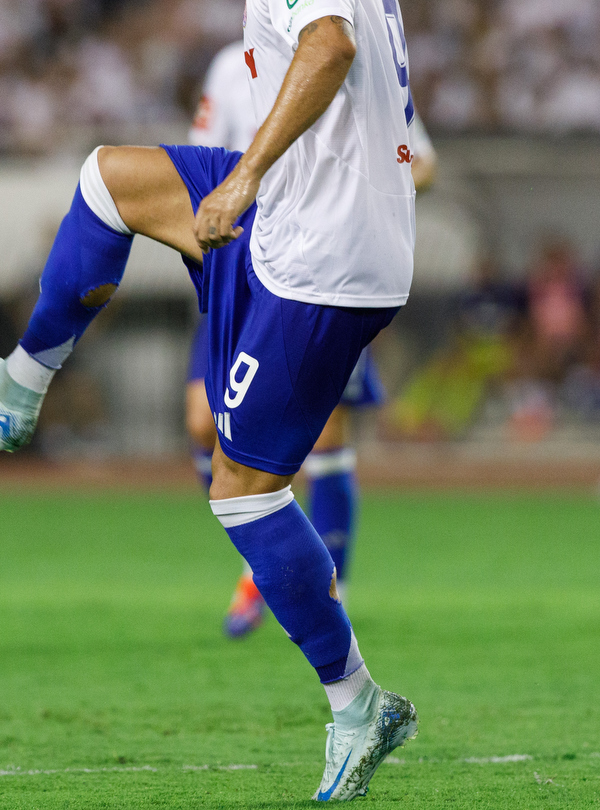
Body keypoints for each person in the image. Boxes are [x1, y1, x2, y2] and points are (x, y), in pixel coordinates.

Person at [0, 0, 418, 801]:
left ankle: (355, 701)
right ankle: (19, 383)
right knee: (109, 176)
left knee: (243, 492)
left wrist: (240, 177)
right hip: (299, 221)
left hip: (320, 259)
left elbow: (330, 49)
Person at [186, 38, 435, 637]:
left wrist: (370, 198)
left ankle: (330, 590)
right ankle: (265, 559)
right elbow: (202, 154)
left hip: (322, 268)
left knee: (326, 436)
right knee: (203, 421)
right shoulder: (227, 65)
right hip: (242, 263)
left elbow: (420, 157)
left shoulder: (353, 59)